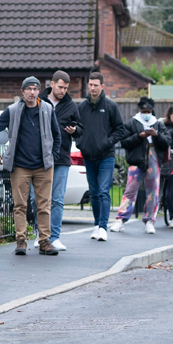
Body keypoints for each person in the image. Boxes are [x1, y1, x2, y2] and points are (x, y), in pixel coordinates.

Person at [0, 76, 61, 256]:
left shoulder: (47, 109)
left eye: (35, 89)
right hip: (20, 166)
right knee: (20, 205)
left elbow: (57, 135)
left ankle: (45, 240)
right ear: (22, 92)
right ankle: (21, 241)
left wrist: (52, 156)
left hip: (43, 166)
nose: (32, 92)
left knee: (44, 205)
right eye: (28, 89)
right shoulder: (13, 110)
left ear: (39, 91)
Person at [76, 72, 127, 242]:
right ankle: (97, 224)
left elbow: (120, 129)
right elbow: (76, 128)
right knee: (95, 192)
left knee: (105, 190)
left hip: (106, 155)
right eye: (90, 84)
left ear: (102, 86)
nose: (92, 88)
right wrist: (80, 143)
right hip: (89, 156)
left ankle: (104, 227)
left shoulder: (111, 106)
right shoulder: (82, 107)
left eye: (96, 85)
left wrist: (107, 143)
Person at [109, 97, 170, 234]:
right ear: (140, 110)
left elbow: (167, 141)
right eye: (144, 111)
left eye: (148, 111)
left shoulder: (158, 124)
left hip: (153, 157)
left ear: (152, 110)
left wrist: (157, 135)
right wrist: (139, 136)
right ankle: (121, 219)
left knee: (153, 190)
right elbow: (124, 142)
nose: (146, 113)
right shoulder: (132, 123)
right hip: (136, 159)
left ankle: (149, 220)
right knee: (130, 190)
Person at [38, 71, 82, 251]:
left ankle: (54, 237)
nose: (63, 91)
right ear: (52, 84)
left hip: (62, 157)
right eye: (60, 87)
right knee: (38, 199)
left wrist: (75, 130)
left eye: (65, 88)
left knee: (57, 199)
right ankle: (41, 235)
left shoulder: (71, 106)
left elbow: (81, 128)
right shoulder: (39, 100)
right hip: (40, 157)